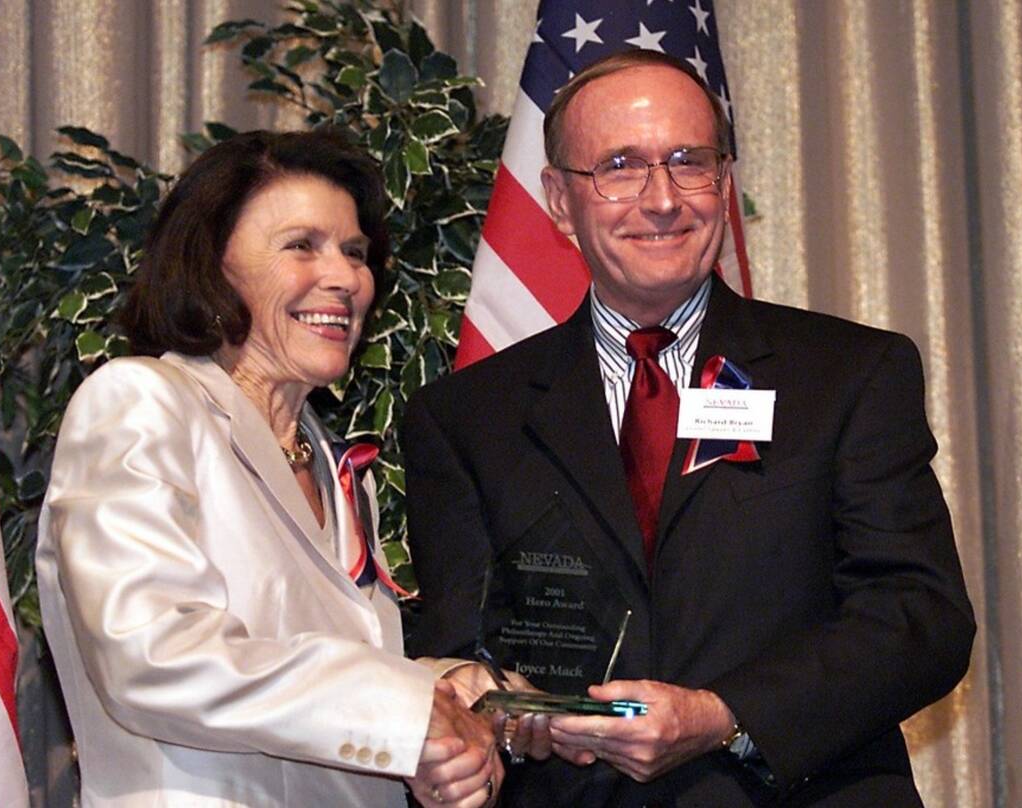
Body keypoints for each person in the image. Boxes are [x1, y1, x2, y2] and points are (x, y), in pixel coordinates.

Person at [402, 50, 975, 806]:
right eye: (620, 166)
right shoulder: (464, 417)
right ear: (559, 201)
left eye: (687, 161)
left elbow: (919, 618)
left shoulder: (850, 374)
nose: (662, 198)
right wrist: (507, 715)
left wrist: (720, 716)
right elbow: (461, 653)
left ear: (725, 181)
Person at [36, 130, 503, 807]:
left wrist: (442, 706)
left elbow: (304, 690)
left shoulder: (337, 468)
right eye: (301, 246)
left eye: (354, 252)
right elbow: (150, 654)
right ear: (213, 264)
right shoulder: (140, 403)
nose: (344, 277)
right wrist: (402, 710)